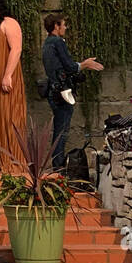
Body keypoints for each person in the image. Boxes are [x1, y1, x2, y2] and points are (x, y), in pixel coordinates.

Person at [41, 14, 104, 169]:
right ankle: (58, 164)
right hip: (62, 91)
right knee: (62, 128)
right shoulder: (57, 42)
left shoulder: (47, 43)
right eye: (63, 24)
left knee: (59, 126)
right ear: (56, 26)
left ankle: (57, 162)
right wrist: (85, 64)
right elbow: (69, 66)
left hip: (53, 91)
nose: (65, 27)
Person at [0, 0, 28, 171]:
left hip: (6, 77)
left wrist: (8, 75)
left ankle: (14, 163)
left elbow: (16, 49)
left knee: (10, 118)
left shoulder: (8, 23)